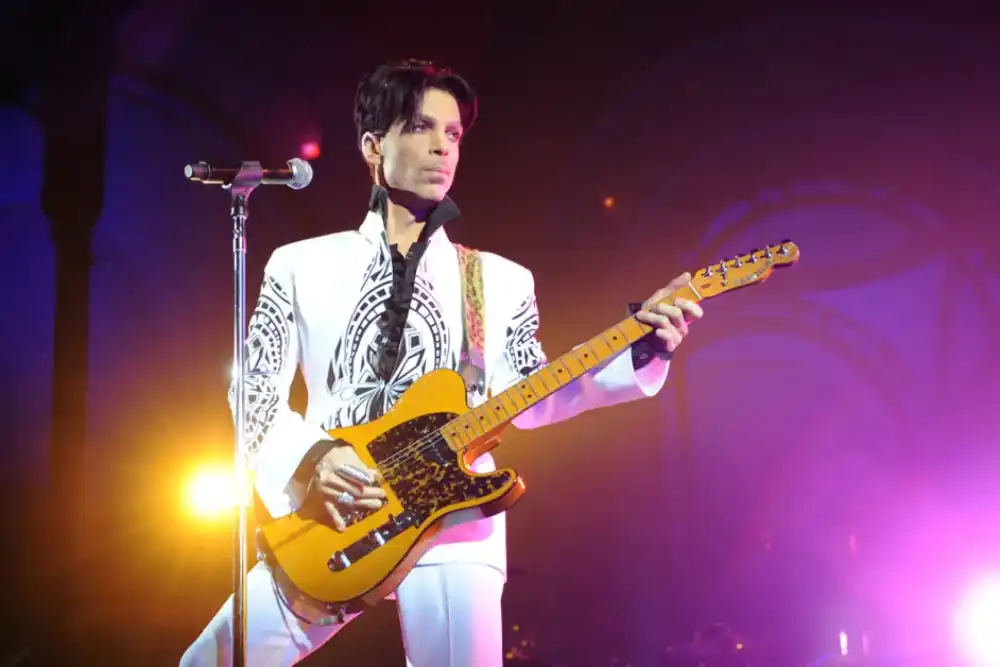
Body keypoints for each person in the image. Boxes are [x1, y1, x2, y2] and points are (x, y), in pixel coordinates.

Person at [179, 58, 704, 667]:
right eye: (422, 128)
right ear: (374, 146)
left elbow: (535, 394)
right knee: (208, 662)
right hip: (334, 514)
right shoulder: (299, 265)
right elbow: (253, 391)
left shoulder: (499, 281)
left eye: (453, 134)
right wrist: (311, 462)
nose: (442, 148)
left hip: (454, 522)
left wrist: (643, 347)